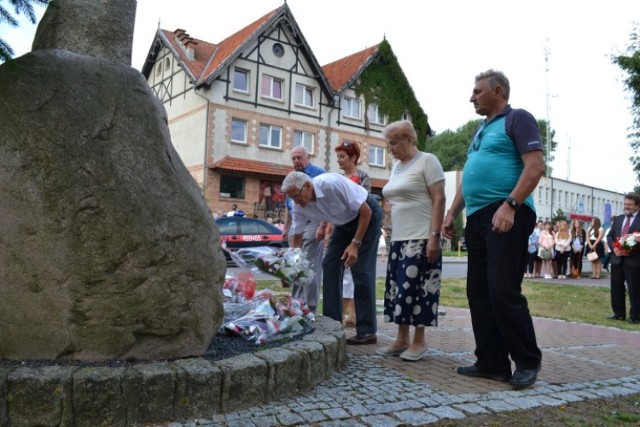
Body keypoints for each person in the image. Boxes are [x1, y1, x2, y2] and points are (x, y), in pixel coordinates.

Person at [442, 69, 545, 389]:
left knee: (502, 290)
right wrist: (451, 212)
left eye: (477, 91)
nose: (471, 97)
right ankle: (492, 362)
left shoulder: (519, 119)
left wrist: (510, 205)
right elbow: (469, 176)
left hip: (507, 212)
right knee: (479, 292)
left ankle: (527, 361)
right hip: (477, 217)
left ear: (497, 91)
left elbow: (535, 166)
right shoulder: (479, 130)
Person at [282, 171, 382, 344]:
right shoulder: (298, 204)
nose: (296, 203)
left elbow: (365, 211)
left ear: (307, 186)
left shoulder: (331, 184)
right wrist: (290, 269)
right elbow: (297, 239)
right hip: (343, 223)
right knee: (329, 265)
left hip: (367, 216)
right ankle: (333, 323)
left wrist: (355, 244)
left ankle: (367, 330)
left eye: (297, 197)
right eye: (292, 199)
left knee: (360, 269)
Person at [377, 120, 445, 362]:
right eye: (389, 143)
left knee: (419, 289)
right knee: (399, 289)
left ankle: (419, 341)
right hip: (399, 238)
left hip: (422, 236)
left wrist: (434, 237)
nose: (390, 148)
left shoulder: (428, 161)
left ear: (408, 139)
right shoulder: (396, 167)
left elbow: (439, 198)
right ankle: (401, 339)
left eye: (394, 143)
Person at [282, 146, 325, 312]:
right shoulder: (291, 178)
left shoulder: (318, 174)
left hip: (314, 220)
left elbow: (325, 204)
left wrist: (323, 226)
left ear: (308, 157)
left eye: (299, 157)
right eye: (293, 158)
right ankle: (298, 304)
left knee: (310, 264)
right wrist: (286, 228)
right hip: (298, 221)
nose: (296, 161)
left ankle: (311, 307)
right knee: (297, 260)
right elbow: (289, 206)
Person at [334, 140, 371, 328]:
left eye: (342, 156)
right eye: (338, 157)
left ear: (354, 157)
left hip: (358, 228)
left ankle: (351, 315)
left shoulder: (363, 176)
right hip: (342, 227)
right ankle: (348, 315)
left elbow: (364, 200)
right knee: (344, 271)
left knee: (353, 272)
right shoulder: (339, 178)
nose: (339, 160)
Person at [606, 193, 640, 324]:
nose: (626, 207)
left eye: (630, 205)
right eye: (625, 204)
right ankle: (619, 314)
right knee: (616, 287)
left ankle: (635, 316)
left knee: (634, 289)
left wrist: (631, 249)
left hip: (634, 261)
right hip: (617, 259)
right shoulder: (619, 219)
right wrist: (614, 249)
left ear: (637, 206)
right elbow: (610, 236)